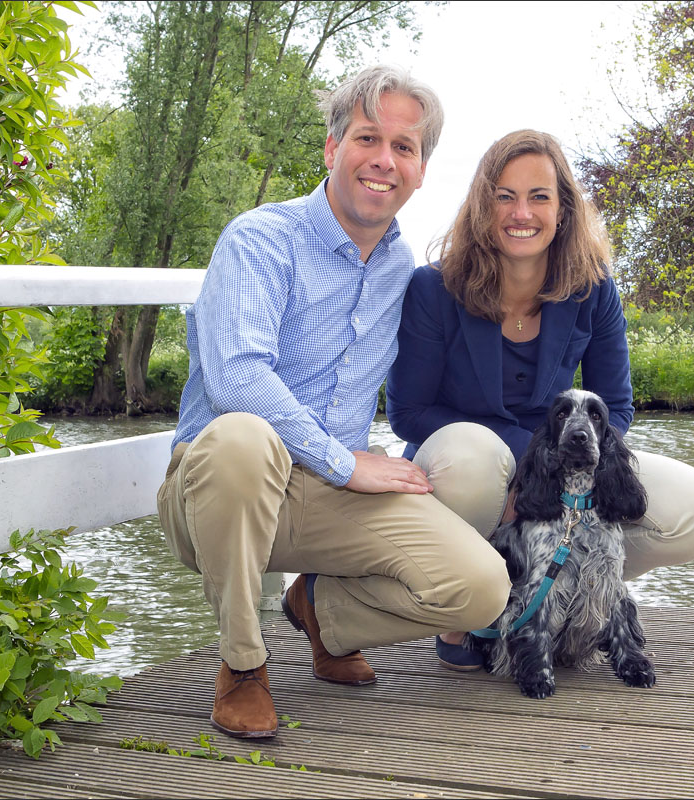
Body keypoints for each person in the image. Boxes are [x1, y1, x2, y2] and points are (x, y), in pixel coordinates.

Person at [156, 65, 510, 739]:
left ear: (421, 170)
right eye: (367, 139)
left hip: (324, 497)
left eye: (404, 147)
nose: (383, 160)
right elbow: (236, 379)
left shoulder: (403, 269)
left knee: (481, 588)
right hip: (219, 490)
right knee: (244, 436)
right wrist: (346, 462)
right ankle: (242, 664)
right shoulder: (260, 238)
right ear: (331, 148)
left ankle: (321, 611)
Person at [385, 129, 694, 670]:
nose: (521, 213)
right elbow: (408, 413)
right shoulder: (434, 288)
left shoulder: (594, 288)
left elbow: (615, 407)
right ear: (482, 206)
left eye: (539, 197)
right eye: (505, 196)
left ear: (563, 208)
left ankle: (567, 601)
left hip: (559, 462)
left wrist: (565, 474)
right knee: (475, 461)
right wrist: (532, 463)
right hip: (463, 466)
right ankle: (467, 612)